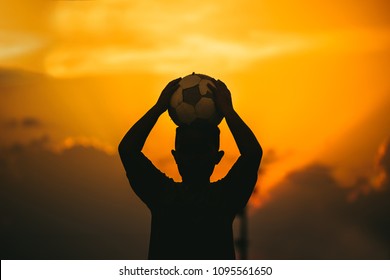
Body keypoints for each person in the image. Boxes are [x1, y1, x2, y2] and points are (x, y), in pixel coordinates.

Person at [118, 77, 262, 259]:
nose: (194, 158)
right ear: (176, 157)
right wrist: (158, 108)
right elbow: (127, 150)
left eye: (201, 150)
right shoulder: (164, 194)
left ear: (216, 157)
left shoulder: (221, 197)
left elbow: (252, 154)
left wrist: (228, 110)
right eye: (188, 150)